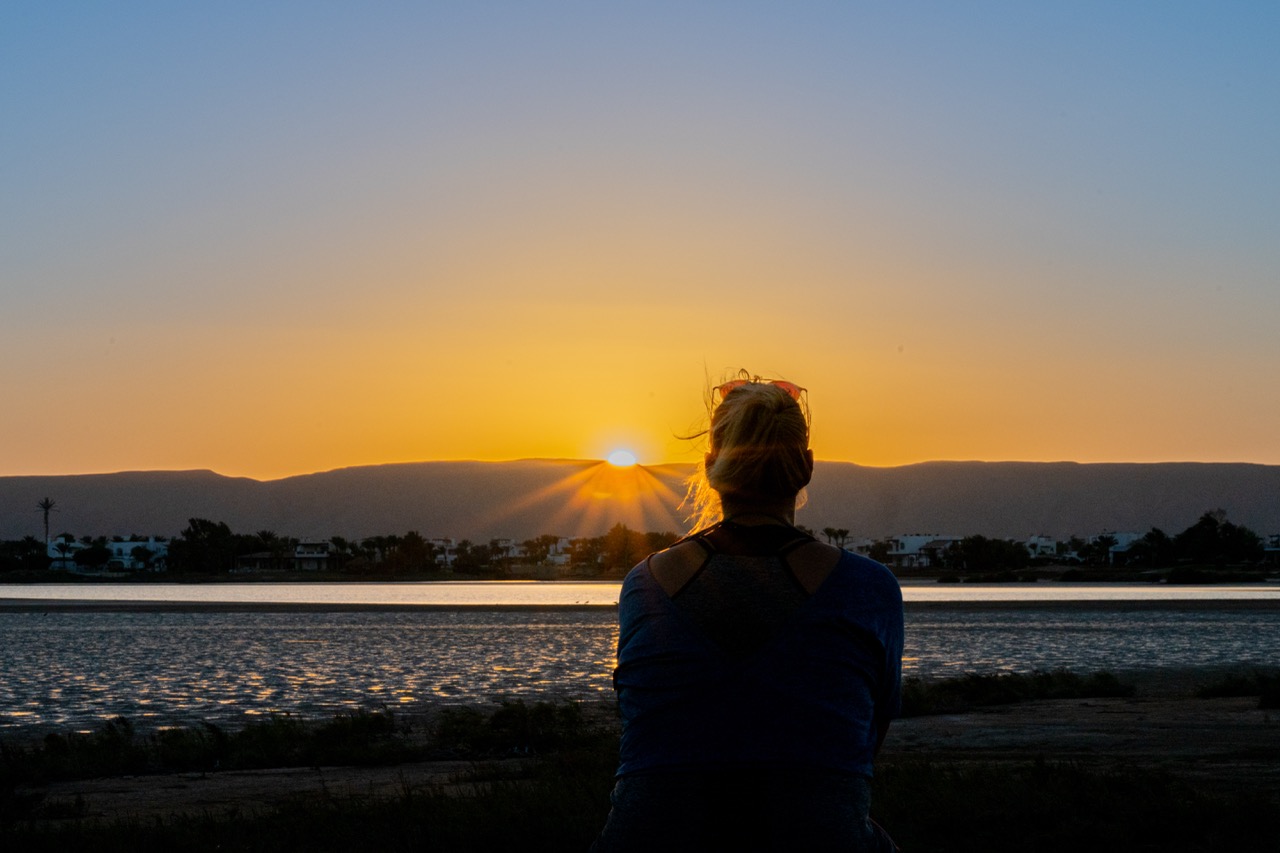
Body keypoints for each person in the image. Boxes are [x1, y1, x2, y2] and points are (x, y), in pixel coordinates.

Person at [591, 373, 904, 852]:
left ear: (712, 464)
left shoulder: (645, 584)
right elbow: (865, 743)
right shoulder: (869, 586)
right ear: (806, 467)